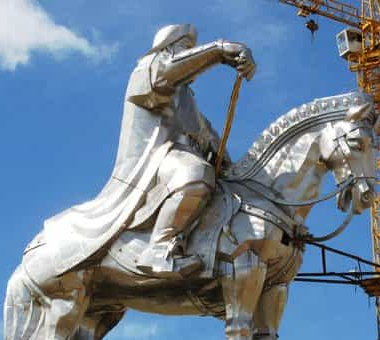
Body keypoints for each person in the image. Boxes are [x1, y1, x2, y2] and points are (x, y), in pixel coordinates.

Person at [42, 24, 256, 278]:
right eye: (186, 48)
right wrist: (219, 49)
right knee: (195, 174)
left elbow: (205, 133)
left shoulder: (186, 96)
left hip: (173, 158)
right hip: (153, 161)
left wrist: (231, 168)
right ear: (167, 45)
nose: (192, 54)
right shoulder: (148, 69)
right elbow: (168, 71)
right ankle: (160, 249)